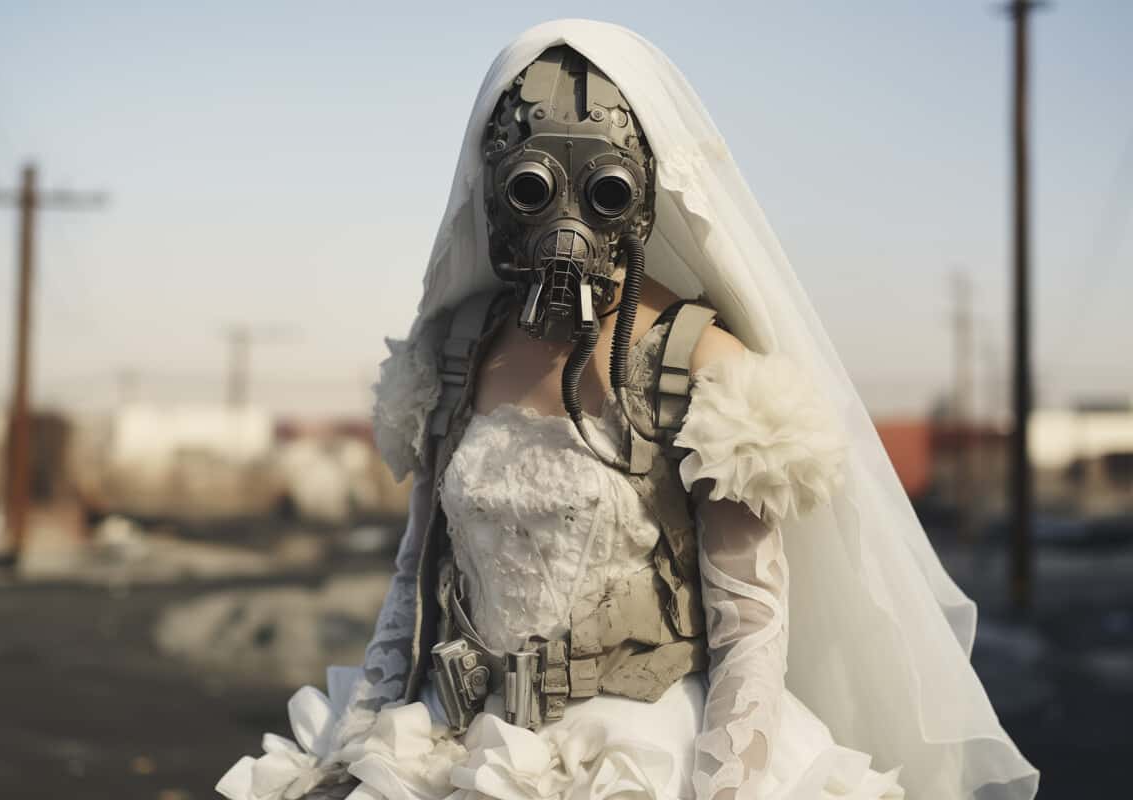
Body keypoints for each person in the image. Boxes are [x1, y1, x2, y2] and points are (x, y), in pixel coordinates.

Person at [217, 19, 1039, 800]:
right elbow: (414, 577)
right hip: (455, 748)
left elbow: (749, 626)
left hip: (640, 755)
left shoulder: (704, 369)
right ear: (498, 184)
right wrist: (358, 745)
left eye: (602, 185)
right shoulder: (459, 353)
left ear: (644, 189)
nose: (566, 217)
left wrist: (727, 786)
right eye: (534, 183)